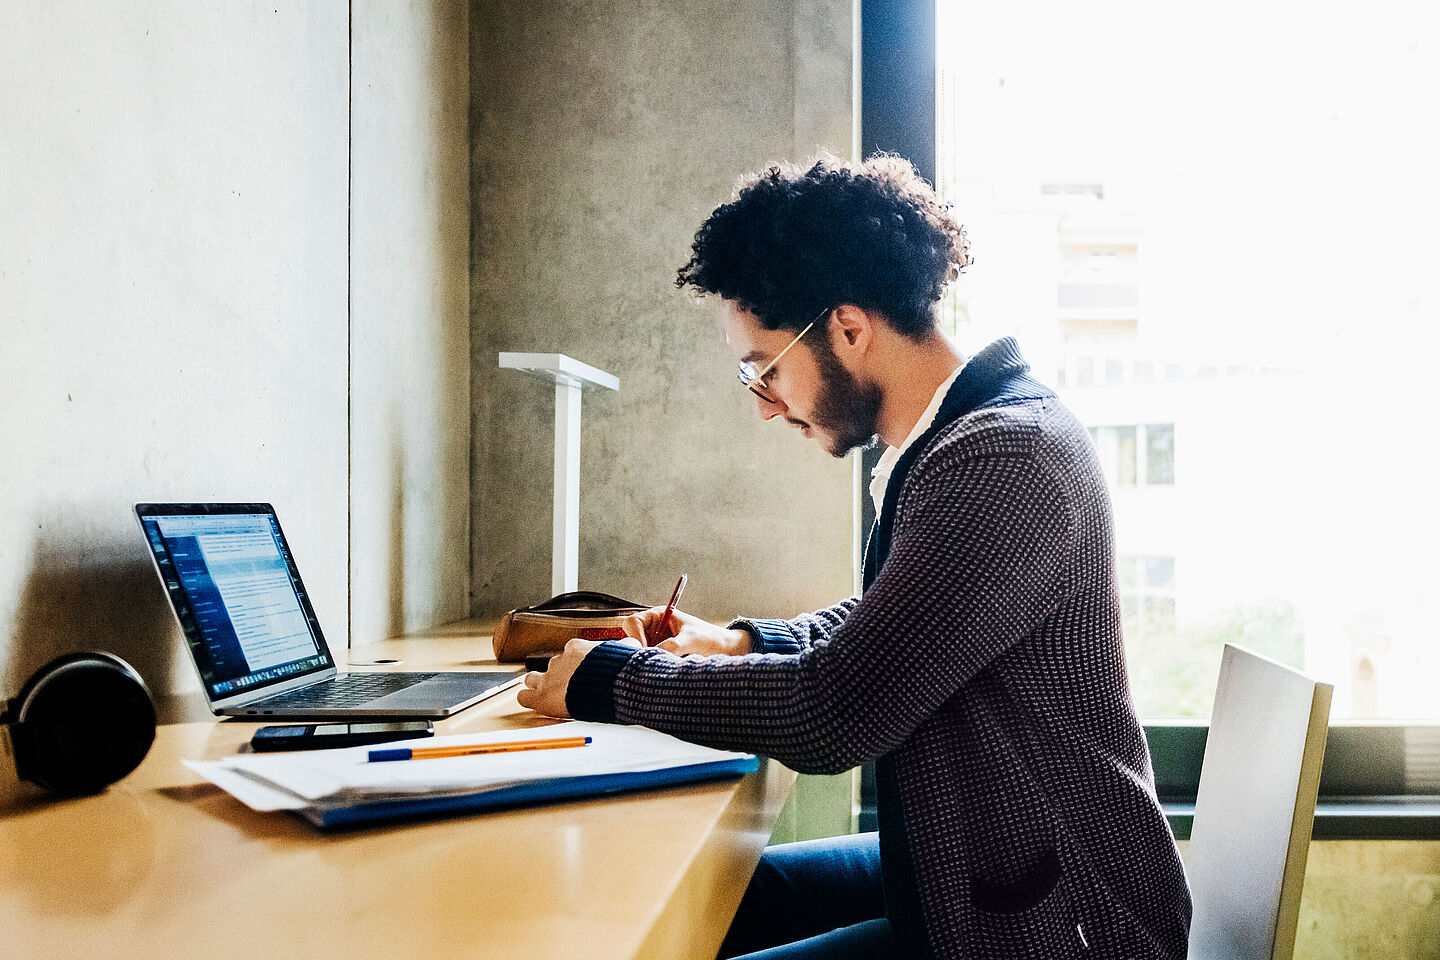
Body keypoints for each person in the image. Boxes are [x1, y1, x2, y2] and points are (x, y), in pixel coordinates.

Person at [516, 155, 1192, 960]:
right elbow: (896, 624)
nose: (766, 407)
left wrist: (608, 681)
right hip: (988, 864)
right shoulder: (965, 439)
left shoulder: (1007, 459)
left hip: (1061, 922)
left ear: (846, 327)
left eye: (764, 369)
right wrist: (739, 643)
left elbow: (835, 714)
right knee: (719, 896)